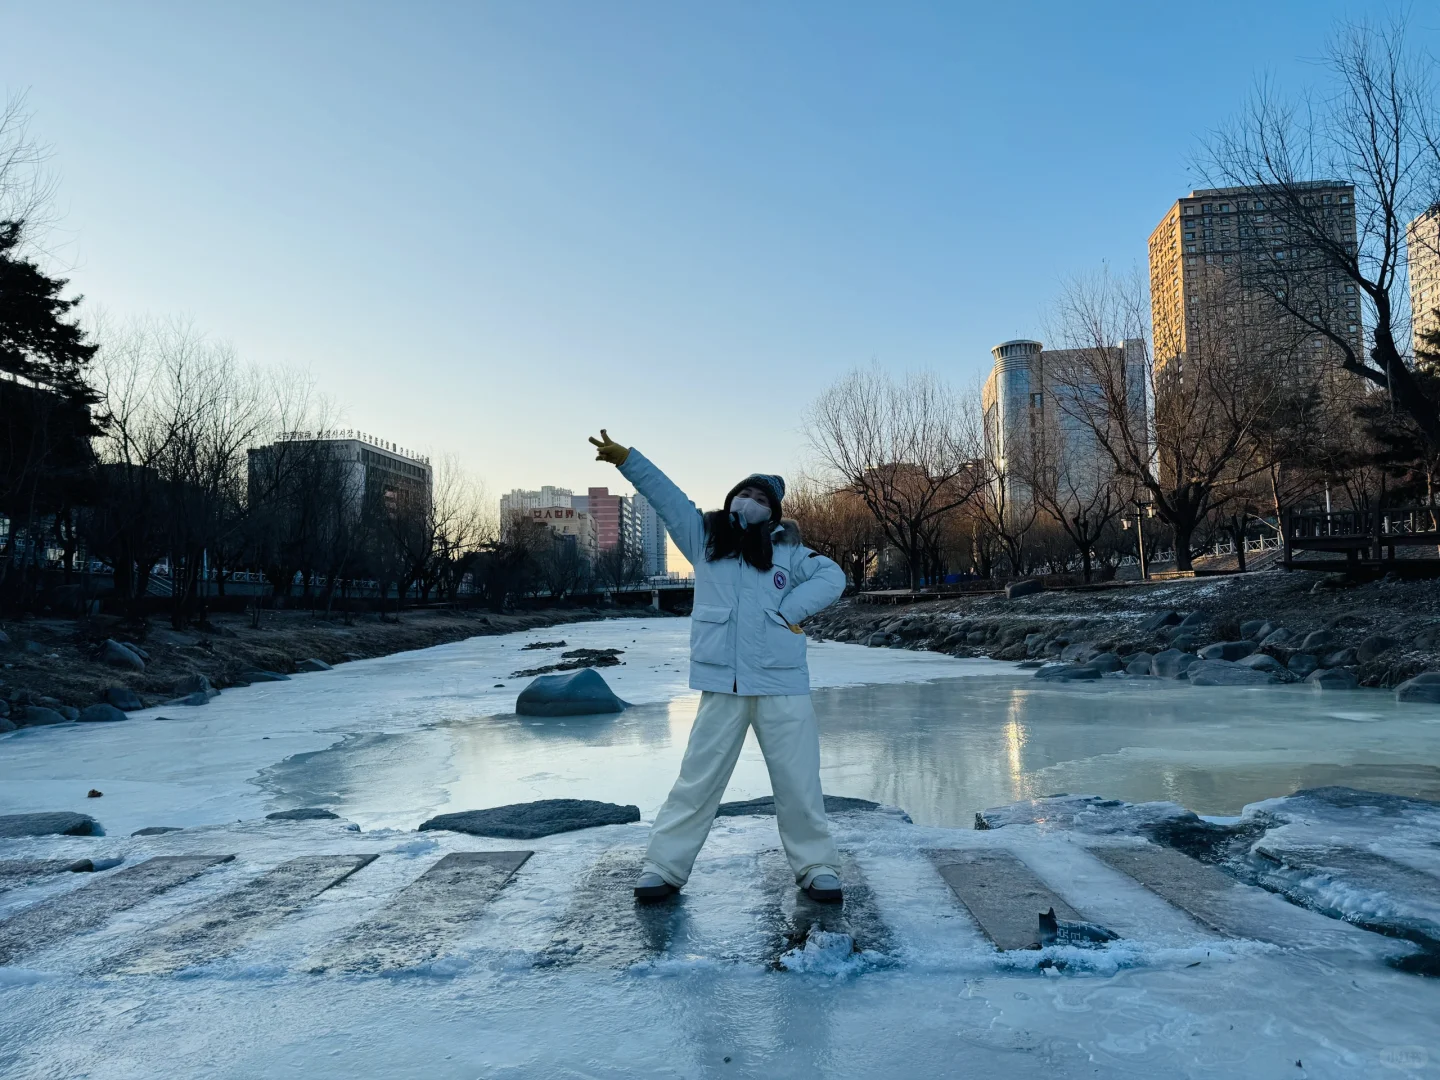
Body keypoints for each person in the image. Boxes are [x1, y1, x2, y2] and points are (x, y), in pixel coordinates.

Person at [588, 429, 848, 904]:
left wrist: (789, 611)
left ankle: (816, 865)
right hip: (722, 685)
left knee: (798, 781)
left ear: (774, 511)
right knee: (698, 778)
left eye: (761, 498)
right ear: (731, 499)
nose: (751, 502)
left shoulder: (789, 551)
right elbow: (667, 498)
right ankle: (664, 866)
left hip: (781, 683)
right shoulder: (704, 538)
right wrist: (629, 460)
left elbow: (834, 576)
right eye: (745, 493)